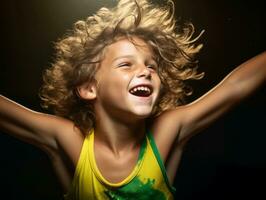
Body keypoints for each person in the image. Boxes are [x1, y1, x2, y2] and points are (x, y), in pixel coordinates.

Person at [0, 0, 265, 199]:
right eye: (126, 64)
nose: (146, 72)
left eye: (152, 66)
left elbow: (234, 86)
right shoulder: (72, 142)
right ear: (89, 88)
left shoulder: (165, 132)